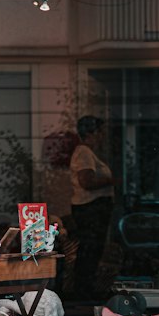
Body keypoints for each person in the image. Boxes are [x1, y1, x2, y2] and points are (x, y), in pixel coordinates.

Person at [69, 115, 114, 300]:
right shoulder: (84, 152)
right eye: (100, 132)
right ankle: (83, 291)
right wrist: (111, 181)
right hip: (90, 207)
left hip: (93, 207)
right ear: (92, 133)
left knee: (92, 249)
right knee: (90, 248)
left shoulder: (87, 152)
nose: (102, 136)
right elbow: (86, 180)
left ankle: (85, 288)